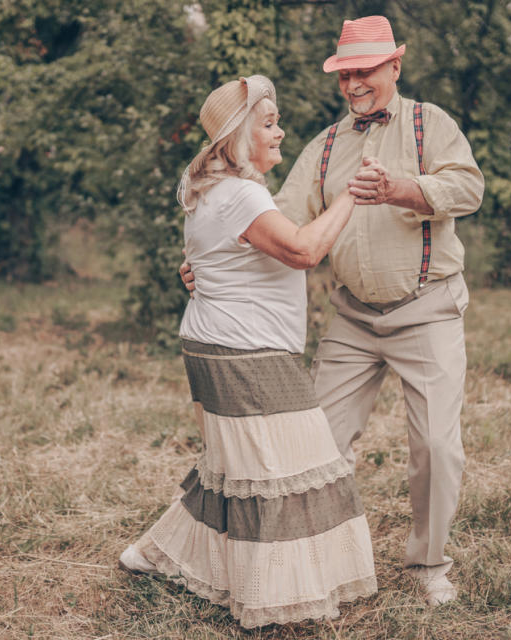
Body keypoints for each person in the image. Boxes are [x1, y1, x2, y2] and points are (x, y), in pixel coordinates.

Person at [180, 16, 485, 606]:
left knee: (436, 447)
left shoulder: (431, 125)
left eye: (364, 71)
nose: (353, 85)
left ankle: (428, 564)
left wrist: (404, 189)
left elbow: (469, 189)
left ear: (394, 66)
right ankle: (318, 560)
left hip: (427, 310)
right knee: (313, 441)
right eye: (345, 74)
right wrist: (208, 263)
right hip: (351, 319)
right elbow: (276, 224)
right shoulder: (322, 148)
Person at [119, 75, 377, 629]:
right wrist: (352, 193)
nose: (279, 131)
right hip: (244, 351)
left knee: (229, 470)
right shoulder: (240, 193)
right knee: (283, 470)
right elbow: (304, 250)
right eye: (268, 123)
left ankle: (151, 553)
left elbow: (213, 261)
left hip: (218, 343)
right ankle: (268, 597)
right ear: (238, 137)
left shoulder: (211, 191)